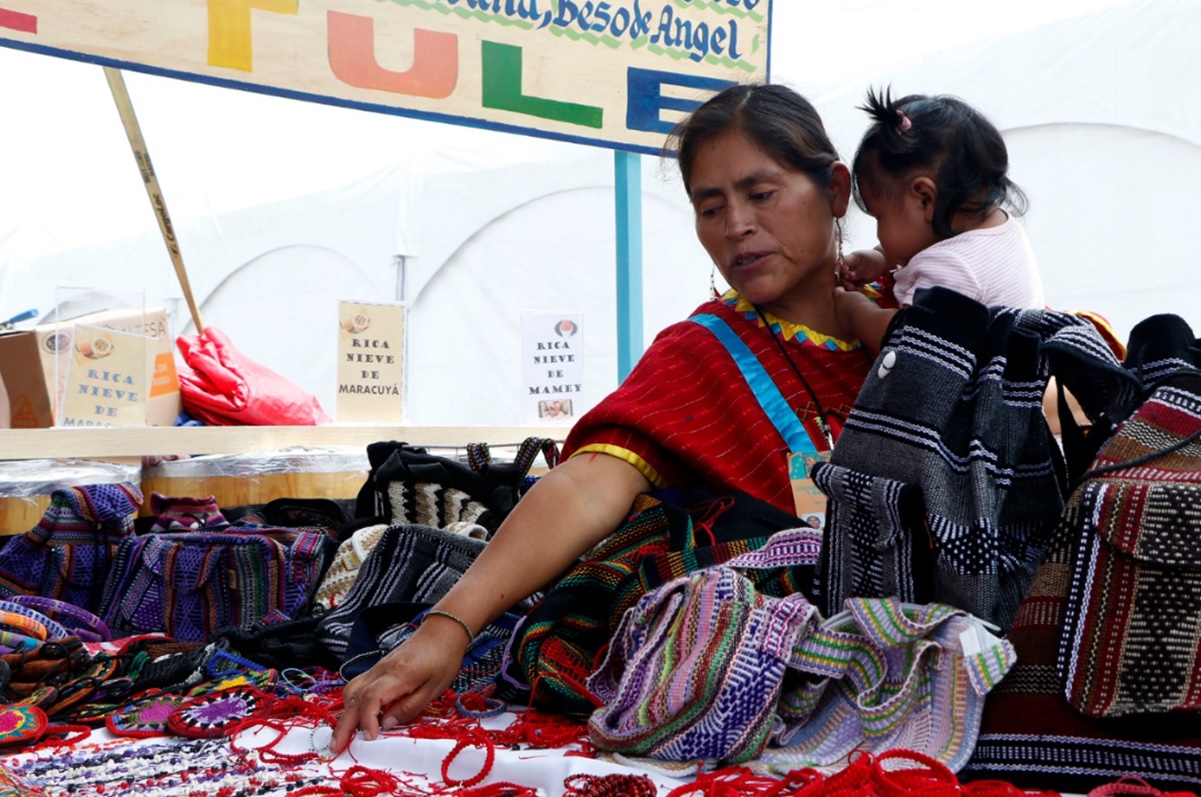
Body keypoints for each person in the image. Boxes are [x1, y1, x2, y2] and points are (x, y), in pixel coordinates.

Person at [330, 83, 874, 753]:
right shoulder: (699, 353)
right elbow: (587, 485)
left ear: (836, 189)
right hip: (783, 675)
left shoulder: (916, 321)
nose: (735, 224)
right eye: (710, 206)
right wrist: (448, 626)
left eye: (760, 195)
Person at [834, 88, 1045, 356]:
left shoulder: (950, 266)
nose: (879, 232)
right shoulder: (998, 224)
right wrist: (881, 258)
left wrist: (855, 312)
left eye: (879, 217)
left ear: (924, 198)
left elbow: (908, 347)